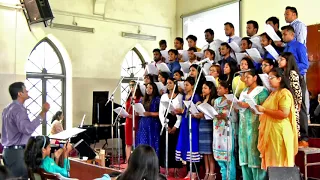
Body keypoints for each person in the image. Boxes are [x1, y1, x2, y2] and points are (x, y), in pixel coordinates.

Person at [1, 82, 50, 179]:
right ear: (20, 93)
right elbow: (27, 129)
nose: (27, 91)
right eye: (25, 90)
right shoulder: (18, 109)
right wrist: (43, 112)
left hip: (7, 152)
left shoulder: (7, 109)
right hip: (17, 153)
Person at [256, 68, 298, 169]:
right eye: (268, 77)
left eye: (271, 77)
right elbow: (266, 110)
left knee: (279, 163)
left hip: (280, 133)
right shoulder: (273, 93)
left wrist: (264, 110)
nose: (269, 80)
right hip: (271, 133)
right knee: (272, 164)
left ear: (279, 79)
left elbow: (284, 113)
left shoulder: (284, 93)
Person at [237, 69, 269, 180]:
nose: (245, 79)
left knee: (255, 155)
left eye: (248, 77)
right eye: (244, 77)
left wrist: (249, 106)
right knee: (245, 157)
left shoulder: (262, 91)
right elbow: (240, 109)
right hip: (243, 128)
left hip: (255, 127)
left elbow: (264, 109)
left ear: (255, 78)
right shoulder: (244, 91)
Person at [278, 52, 308, 147]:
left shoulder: (292, 73)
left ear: (288, 61)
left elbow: (297, 89)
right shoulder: (283, 73)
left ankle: (302, 139)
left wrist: (298, 102)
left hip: (294, 100)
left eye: (281, 59)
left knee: (298, 118)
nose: (279, 61)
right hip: (289, 99)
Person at [175, 77, 201, 180]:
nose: (185, 87)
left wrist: (185, 111)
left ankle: (194, 172)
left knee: (193, 146)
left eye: (187, 85)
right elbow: (185, 110)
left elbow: (197, 111)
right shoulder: (184, 96)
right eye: (184, 85)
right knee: (186, 146)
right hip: (185, 122)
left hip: (193, 123)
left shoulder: (196, 96)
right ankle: (189, 171)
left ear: (192, 86)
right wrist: (180, 111)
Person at [193, 81, 218, 180]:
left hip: (209, 126)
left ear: (210, 89)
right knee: (204, 152)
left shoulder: (212, 100)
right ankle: (207, 171)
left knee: (209, 151)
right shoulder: (202, 100)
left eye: (205, 88)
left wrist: (203, 114)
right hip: (202, 125)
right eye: (202, 88)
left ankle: (212, 172)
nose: (203, 90)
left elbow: (213, 114)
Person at [158, 78, 183, 177]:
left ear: (175, 84)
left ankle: (176, 168)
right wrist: (165, 125)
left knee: (175, 146)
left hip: (175, 122)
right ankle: (166, 168)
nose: (168, 85)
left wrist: (175, 126)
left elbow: (180, 113)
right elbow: (161, 112)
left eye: (170, 83)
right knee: (165, 146)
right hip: (166, 122)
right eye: (167, 83)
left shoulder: (180, 97)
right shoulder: (164, 96)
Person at [212, 81, 236, 180]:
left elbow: (234, 118)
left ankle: (230, 178)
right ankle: (223, 177)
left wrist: (225, 117)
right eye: (217, 88)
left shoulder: (231, 100)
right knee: (219, 158)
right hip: (217, 132)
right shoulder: (216, 101)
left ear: (226, 89)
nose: (218, 90)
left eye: (220, 88)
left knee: (228, 157)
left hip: (227, 131)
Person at [136, 83, 161, 156]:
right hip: (143, 124)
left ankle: (153, 163)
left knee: (152, 144)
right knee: (143, 144)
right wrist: (138, 113)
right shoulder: (142, 99)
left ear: (154, 89)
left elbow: (161, 113)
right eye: (147, 87)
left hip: (153, 124)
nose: (148, 89)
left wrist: (150, 114)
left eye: (150, 88)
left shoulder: (157, 99)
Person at [124, 80, 143, 163]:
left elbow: (141, 110)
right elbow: (126, 109)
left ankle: (137, 160)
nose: (132, 88)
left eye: (133, 86)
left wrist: (134, 115)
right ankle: (128, 160)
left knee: (137, 141)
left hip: (137, 120)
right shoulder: (128, 97)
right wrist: (124, 114)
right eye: (130, 86)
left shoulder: (140, 98)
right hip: (128, 121)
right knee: (128, 142)